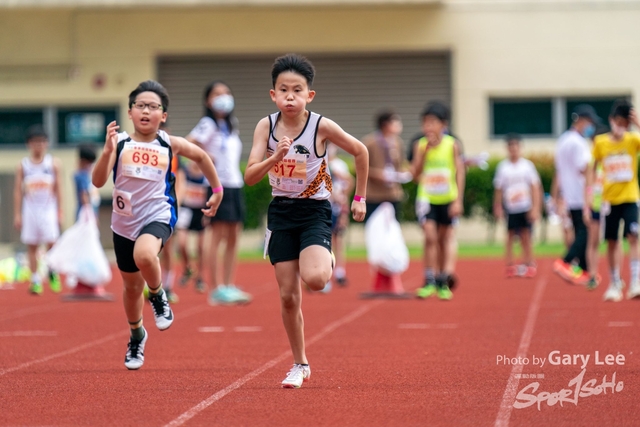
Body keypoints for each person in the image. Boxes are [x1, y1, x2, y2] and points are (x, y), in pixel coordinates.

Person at [244, 54, 368, 388]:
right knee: (288, 296)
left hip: (314, 211)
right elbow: (250, 177)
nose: (289, 96)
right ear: (273, 94)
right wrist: (275, 157)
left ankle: (326, 255)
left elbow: (360, 152)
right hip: (281, 213)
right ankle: (300, 363)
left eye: (297, 90)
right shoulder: (265, 127)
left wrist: (360, 199)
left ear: (309, 95)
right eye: (283, 89)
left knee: (315, 280)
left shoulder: (320, 126)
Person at [91, 80, 223, 370]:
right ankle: (137, 334)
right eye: (141, 106)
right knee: (129, 287)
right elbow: (98, 181)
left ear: (163, 115)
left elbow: (201, 156)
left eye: (153, 107)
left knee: (146, 256)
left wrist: (217, 189)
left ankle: (158, 293)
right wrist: (105, 151)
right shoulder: (121, 143)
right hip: (124, 223)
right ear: (130, 112)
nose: (146, 111)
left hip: (158, 216)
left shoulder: (167, 143)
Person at [186, 80, 251, 305]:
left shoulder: (231, 124)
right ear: (208, 101)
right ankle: (216, 288)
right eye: (217, 94)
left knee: (234, 235)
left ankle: (229, 284)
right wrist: (204, 157)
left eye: (227, 92)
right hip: (216, 185)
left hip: (235, 183)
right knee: (218, 235)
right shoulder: (208, 123)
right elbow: (188, 143)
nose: (223, 97)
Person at [411, 102, 465, 301]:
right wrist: (425, 153)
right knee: (430, 236)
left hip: (448, 198)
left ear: (443, 124)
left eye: (432, 122)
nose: (428, 127)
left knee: (445, 238)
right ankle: (429, 279)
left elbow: (460, 172)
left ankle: (444, 279)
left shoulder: (453, 144)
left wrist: (458, 200)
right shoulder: (420, 145)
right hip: (426, 198)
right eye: (425, 123)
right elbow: (415, 174)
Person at [588, 99, 640, 301]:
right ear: (611, 120)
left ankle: (635, 280)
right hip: (609, 200)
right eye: (618, 122)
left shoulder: (632, 140)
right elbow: (592, 168)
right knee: (611, 241)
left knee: (633, 237)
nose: (621, 127)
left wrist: (638, 123)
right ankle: (614, 283)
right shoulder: (601, 143)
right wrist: (592, 192)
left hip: (630, 197)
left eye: (625, 124)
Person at [13, 124, 63, 295]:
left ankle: (52, 271)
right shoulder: (24, 165)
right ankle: (35, 280)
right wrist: (17, 214)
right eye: (35, 142)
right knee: (32, 245)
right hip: (30, 210)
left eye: (41, 142)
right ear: (29, 144)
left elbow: (58, 189)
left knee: (52, 243)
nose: (38, 145)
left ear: (46, 144)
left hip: (48, 208)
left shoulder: (53, 164)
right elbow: (18, 191)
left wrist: (59, 211)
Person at [553, 104, 600, 285]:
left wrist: (559, 195)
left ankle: (585, 271)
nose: (591, 127)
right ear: (580, 120)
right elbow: (585, 169)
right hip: (581, 194)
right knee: (585, 232)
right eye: (589, 122)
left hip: (570, 193)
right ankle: (565, 261)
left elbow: (560, 170)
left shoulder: (563, 140)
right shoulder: (578, 143)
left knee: (581, 230)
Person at [492, 133, 541, 278]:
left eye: (516, 146)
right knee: (510, 236)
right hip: (511, 207)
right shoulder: (503, 167)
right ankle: (510, 264)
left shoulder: (527, 166)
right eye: (510, 146)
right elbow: (499, 188)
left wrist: (535, 207)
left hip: (525, 206)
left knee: (526, 236)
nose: (513, 149)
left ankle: (529, 263)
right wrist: (497, 206)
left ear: (520, 148)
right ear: (507, 148)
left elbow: (534, 187)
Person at [362, 109, 411, 222]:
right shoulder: (370, 142)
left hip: (393, 194)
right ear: (385, 124)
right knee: (373, 226)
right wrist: (379, 174)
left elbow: (400, 165)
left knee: (393, 229)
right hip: (374, 195)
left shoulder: (398, 142)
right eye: (396, 122)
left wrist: (404, 173)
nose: (399, 125)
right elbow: (360, 168)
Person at [175, 158, 208, 294]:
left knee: (201, 247)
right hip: (186, 210)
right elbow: (179, 188)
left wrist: (208, 213)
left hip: (200, 212)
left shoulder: (206, 173)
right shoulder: (185, 172)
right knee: (182, 243)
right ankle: (188, 268)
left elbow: (210, 192)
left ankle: (199, 277)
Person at [327, 144, 355, 288]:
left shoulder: (339, 165)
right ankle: (326, 272)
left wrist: (344, 204)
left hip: (337, 207)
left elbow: (350, 182)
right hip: (324, 205)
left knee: (339, 238)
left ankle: (340, 271)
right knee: (327, 239)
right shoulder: (317, 162)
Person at [74, 144, 100, 219]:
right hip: (85, 214)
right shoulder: (82, 175)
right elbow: (84, 194)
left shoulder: (88, 174)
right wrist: (90, 214)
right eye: (89, 163)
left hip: (91, 209)